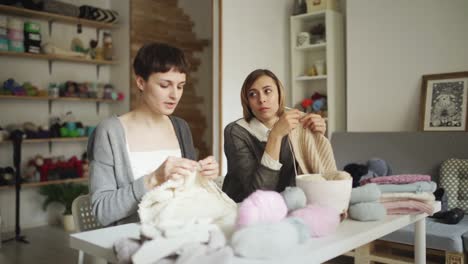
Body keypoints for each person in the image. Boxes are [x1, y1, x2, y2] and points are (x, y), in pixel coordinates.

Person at [88, 42, 219, 226]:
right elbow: (102, 211)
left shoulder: (181, 128)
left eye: (180, 86)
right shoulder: (110, 132)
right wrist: (154, 179)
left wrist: (203, 176)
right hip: (134, 240)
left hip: (182, 232)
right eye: (165, 85)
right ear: (141, 82)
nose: (175, 95)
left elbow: (188, 195)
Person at [222, 69, 327, 203]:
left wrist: (317, 138)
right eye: (253, 94)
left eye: (267, 91)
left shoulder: (299, 122)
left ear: (279, 94)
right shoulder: (236, 132)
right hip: (243, 206)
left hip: (289, 203)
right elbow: (258, 194)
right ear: (247, 101)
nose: (262, 99)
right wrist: (275, 136)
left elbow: (316, 170)